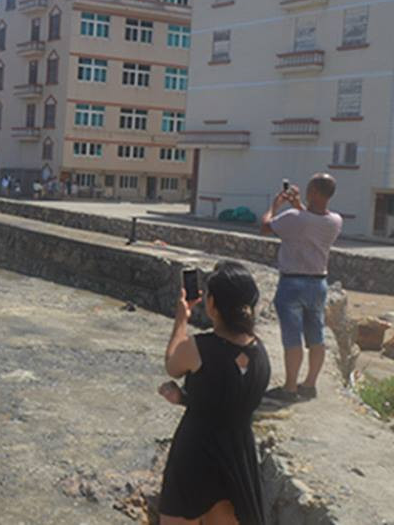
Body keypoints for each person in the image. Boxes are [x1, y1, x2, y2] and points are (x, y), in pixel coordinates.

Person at [158, 262, 271, 525]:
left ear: (212, 304)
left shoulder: (199, 347)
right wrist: (185, 399)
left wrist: (182, 318)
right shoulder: (261, 354)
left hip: (195, 452)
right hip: (238, 456)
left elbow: (172, 365)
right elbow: (229, 398)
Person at [260, 173, 342, 404]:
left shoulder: (293, 217)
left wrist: (274, 206)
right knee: (316, 336)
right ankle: (309, 385)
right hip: (318, 284)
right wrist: (299, 206)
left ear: (313, 192)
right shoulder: (335, 221)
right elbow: (310, 221)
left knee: (292, 337)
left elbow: (265, 227)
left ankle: (289, 388)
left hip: (292, 283)